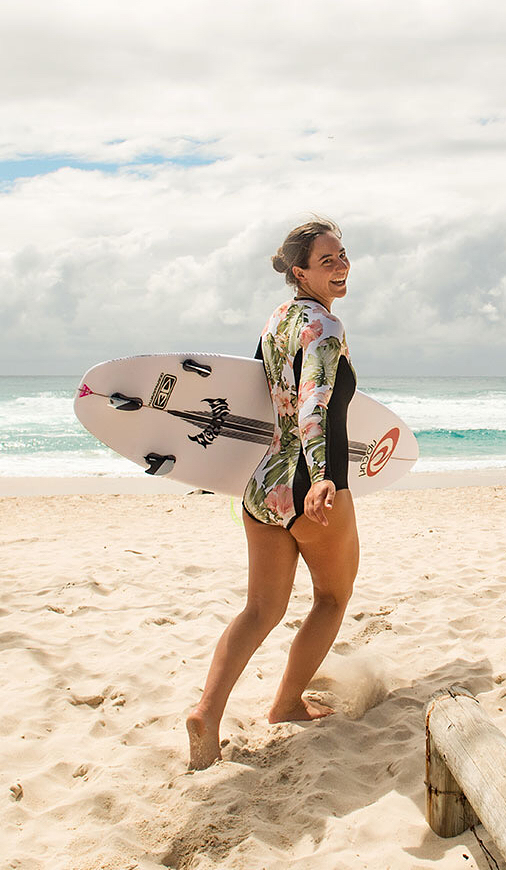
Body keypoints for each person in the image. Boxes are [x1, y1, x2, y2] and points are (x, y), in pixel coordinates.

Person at [187, 219, 359, 770]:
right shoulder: (325, 327)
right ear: (299, 270)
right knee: (332, 598)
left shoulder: (275, 321)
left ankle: (207, 714)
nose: (340, 266)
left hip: (263, 484)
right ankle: (285, 704)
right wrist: (324, 473)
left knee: (260, 609)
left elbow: (250, 398)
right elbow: (313, 401)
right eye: (327, 259)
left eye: (342, 256)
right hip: (312, 484)